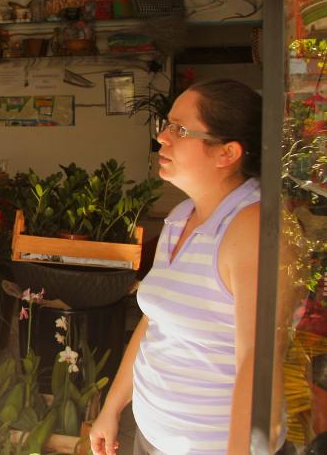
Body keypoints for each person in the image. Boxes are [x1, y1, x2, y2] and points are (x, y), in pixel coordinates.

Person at [89, 80, 263, 455]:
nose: (162, 138)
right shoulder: (181, 216)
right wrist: (112, 408)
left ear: (227, 153)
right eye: (166, 125)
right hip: (152, 436)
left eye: (180, 130)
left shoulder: (250, 228)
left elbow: (258, 360)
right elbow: (155, 322)